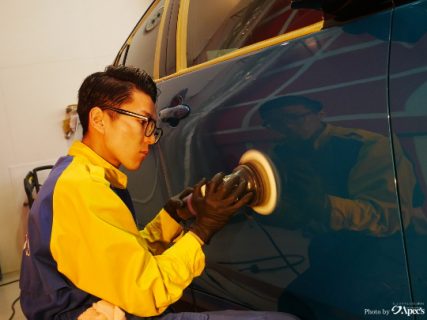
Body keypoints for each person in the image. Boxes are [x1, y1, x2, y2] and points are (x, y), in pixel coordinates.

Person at [19, 65, 299, 320]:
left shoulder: (76, 174)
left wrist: (176, 215)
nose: (152, 139)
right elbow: (147, 291)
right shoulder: (82, 189)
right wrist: (203, 229)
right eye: (144, 123)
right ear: (99, 119)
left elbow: (121, 259)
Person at [259, 95, 427, 319]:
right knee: (295, 302)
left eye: (294, 117)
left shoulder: (366, 145)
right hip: (335, 243)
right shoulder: (281, 153)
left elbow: (390, 217)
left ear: (320, 114)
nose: (286, 127)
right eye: (275, 123)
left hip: (395, 245)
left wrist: (323, 205)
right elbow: (293, 212)